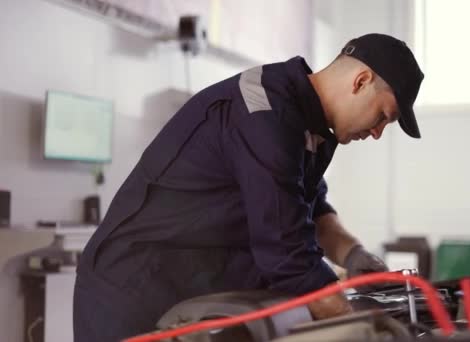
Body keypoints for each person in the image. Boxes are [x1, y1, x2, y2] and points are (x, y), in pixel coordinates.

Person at [73, 33, 424, 341]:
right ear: (360, 81)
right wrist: (362, 326)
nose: (378, 133)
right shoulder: (263, 112)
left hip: (195, 295)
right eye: (382, 116)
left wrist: (353, 254)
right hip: (134, 290)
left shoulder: (310, 126)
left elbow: (311, 211)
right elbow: (288, 257)